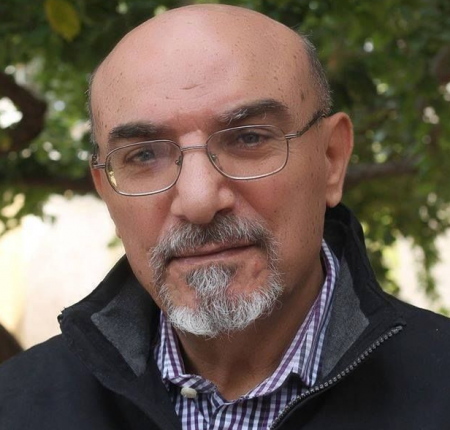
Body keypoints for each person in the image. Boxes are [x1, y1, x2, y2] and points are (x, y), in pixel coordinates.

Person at [1, 4, 450, 429]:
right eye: (143, 155)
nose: (199, 201)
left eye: (249, 138)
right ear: (106, 192)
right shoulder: (16, 404)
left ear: (331, 159)